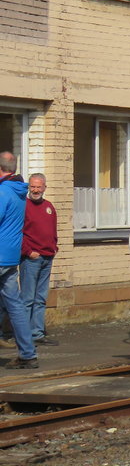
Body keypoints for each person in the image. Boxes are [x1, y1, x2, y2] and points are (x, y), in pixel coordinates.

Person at [0, 152, 35, 369]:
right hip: (11, 258)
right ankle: (28, 354)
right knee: (15, 305)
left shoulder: (3, 191)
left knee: (14, 305)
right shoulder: (20, 192)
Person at [21, 173, 58, 346]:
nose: (35, 190)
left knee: (41, 298)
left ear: (44, 187)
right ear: (29, 187)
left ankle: (37, 333)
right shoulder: (23, 206)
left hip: (47, 257)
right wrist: (28, 252)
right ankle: (24, 335)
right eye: (32, 187)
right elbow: (17, 233)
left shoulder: (49, 207)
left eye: (38, 187)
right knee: (27, 298)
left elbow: (53, 231)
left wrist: (54, 247)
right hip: (31, 259)